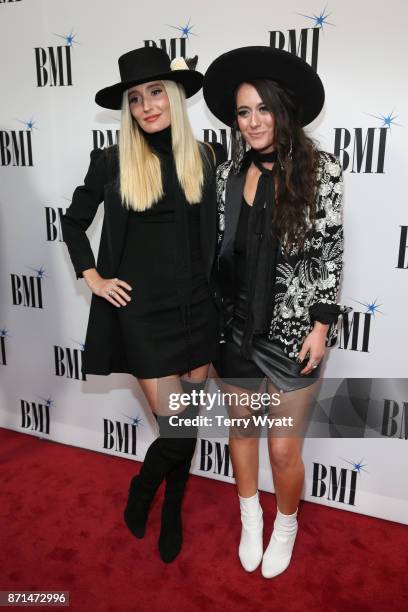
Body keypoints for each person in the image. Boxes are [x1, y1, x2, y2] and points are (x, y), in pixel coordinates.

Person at [61, 46, 225, 563]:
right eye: (136, 98)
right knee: (175, 431)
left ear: (174, 96)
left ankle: (172, 504)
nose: (148, 105)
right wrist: (93, 276)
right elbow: (73, 220)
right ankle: (143, 489)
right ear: (128, 108)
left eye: (156, 92)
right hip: (143, 316)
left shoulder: (204, 157)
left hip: (197, 308)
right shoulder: (112, 161)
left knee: (187, 424)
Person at [203, 46, 349, 577]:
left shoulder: (321, 171)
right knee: (241, 432)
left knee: (283, 451)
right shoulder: (226, 177)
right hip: (235, 328)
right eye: (243, 112)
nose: (253, 121)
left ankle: (286, 524)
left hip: (293, 335)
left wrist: (320, 326)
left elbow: (330, 252)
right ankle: (249, 518)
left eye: (263, 108)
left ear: (283, 112)